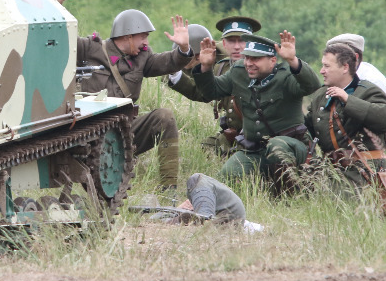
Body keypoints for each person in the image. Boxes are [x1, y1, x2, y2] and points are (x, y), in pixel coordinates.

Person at [193, 31, 321, 194]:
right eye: (247, 58)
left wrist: (293, 61)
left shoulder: (286, 76)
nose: (248, 63)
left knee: (277, 147)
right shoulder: (239, 72)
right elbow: (212, 91)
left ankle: (289, 196)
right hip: (255, 150)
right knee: (228, 174)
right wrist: (205, 67)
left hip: (293, 148)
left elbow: (312, 86)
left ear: (272, 61)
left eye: (255, 59)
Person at [76, 11, 193, 190]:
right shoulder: (90, 48)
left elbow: (169, 62)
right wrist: (58, 2)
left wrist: (184, 49)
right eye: (143, 37)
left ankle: (169, 192)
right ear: (128, 36)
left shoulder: (143, 57)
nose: (146, 42)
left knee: (164, 118)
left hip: (124, 131)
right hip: (90, 133)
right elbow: (60, 38)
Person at [305, 41, 386, 192]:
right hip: (330, 171)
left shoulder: (368, 91)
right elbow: (307, 127)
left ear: (345, 67)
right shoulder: (321, 96)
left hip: (364, 172)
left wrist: (348, 100)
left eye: (327, 66)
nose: (322, 71)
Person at [167, 16, 260, 156]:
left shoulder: (262, 67)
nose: (236, 46)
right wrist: (175, 69)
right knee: (203, 151)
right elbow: (204, 93)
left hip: (260, 137)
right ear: (223, 43)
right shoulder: (222, 67)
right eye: (231, 41)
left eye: (242, 40)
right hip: (233, 136)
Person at [325, 33, 386, 104]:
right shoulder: (341, 78)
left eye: (340, 58)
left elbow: (381, 112)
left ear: (355, 57)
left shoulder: (372, 80)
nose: (322, 71)